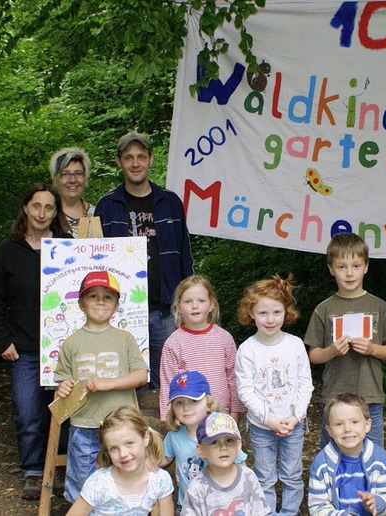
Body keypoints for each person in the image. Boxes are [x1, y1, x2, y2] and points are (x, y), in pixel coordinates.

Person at [0, 182, 71, 500]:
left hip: (64, 348)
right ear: (25, 208)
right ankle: (34, 472)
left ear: (55, 212)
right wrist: (1, 340)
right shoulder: (8, 251)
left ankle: (60, 469)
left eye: (49, 207)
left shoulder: (65, 246)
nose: (42, 213)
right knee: (28, 412)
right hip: (23, 348)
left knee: (64, 409)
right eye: (36, 206)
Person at [94, 131, 194, 389]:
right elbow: (98, 260)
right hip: (123, 312)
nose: (135, 163)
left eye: (141, 156)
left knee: (170, 386)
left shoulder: (170, 202)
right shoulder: (107, 206)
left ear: (150, 159)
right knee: (126, 385)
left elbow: (184, 255)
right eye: (128, 158)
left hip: (165, 310)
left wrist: (187, 301)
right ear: (119, 162)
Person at [54, 270, 149, 503]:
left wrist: (109, 383)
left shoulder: (125, 338)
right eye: (92, 296)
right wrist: (62, 388)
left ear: (116, 306)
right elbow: (63, 383)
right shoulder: (71, 342)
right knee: (83, 484)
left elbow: (141, 375)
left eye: (107, 297)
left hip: (122, 427)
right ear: (81, 304)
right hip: (85, 426)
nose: (100, 301)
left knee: (125, 478)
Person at [304, 232, 386, 448]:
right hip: (334, 395)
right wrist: (332, 351)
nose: (349, 273)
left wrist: (373, 348)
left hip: (370, 395)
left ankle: (373, 483)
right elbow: (313, 355)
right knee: (332, 453)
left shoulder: (379, 306)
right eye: (341, 267)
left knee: (372, 453)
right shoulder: (323, 309)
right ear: (331, 269)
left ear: (366, 266)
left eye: (356, 266)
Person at [235, 274, 314, 515]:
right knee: (265, 475)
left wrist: (297, 416)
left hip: (293, 424)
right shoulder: (247, 349)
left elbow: (305, 384)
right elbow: (245, 391)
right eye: (263, 313)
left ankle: (290, 511)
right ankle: (267, 511)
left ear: (286, 312)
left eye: (276, 312)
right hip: (261, 425)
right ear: (251, 314)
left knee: (292, 474)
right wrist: (268, 418)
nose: (270, 320)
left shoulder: (295, 344)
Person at [158, 275, 244, 422]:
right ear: (179, 306)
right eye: (188, 301)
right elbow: (168, 382)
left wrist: (236, 410)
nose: (195, 306)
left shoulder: (224, 338)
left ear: (211, 305)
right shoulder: (173, 343)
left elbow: (233, 377)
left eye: (201, 301)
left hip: (221, 412)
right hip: (188, 414)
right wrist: (169, 416)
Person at [161, 370, 247, 514]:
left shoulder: (222, 434)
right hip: (188, 506)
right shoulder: (173, 437)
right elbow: (161, 461)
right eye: (179, 403)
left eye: (193, 401)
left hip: (221, 506)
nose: (186, 408)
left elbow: (242, 467)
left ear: (208, 404)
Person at [67, 405, 174, 515]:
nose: (123, 454)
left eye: (129, 443)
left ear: (146, 438)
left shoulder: (160, 480)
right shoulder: (99, 484)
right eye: (114, 448)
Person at [308, 393, 386, 515]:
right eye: (339, 424)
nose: (347, 429)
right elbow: (317, 507)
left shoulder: (380, 459)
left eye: (354, 422)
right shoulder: (322, 463)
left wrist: (378, 503)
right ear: (329, 430)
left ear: (367, 425)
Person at [181, 412, 270, 515]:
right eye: (214, 442)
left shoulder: (248, 477)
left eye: (229, 440)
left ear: (238, 445)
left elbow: (260, 512)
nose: (223, 447)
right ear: (201, 450)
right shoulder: (197, 488)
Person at [49, 147, 95, 237]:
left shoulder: (98, 213)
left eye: (78, 173)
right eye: (65, 174)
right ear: (55, 180)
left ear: (85, 178)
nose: (72, 180)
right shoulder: (47, 215)